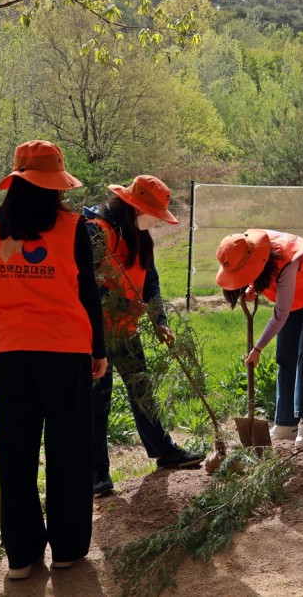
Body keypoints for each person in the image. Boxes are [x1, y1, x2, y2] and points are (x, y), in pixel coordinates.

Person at [0, 140, 108, 580]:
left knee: (15, 454)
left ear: (14, 180)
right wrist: (100, 351)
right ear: (55, 184)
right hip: (65, 352)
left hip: (11, 355)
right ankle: (67, 549)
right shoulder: (73, 227)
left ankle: (20, 555)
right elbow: (88, 293)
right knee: (69, 452)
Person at [85, 175, 203, 496]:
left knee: (143, 394)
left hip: (127, 331)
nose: (157, 222)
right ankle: (97, 475)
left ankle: (164, 452)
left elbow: (150, 282)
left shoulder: (140, 236)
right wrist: (123, 303)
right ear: (134, 206)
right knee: (97, 403)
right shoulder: (95, 232)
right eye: (153, 214)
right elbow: (86, 285)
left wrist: (159, 320)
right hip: (94, 335)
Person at [215, 230, 303, 447]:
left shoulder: (288, 262)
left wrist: (258, 348)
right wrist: (251, 286)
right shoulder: (245, 248)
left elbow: (280, 314)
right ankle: (285, 423)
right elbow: (258, 270)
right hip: (294, 297)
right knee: (285, 355)